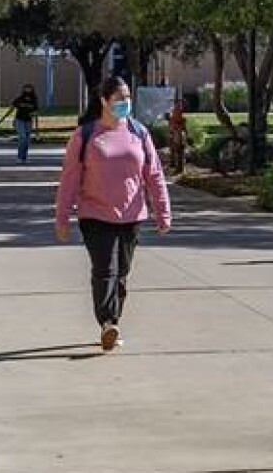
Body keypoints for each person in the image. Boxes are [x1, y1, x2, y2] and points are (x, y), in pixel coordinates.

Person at [55, 77, 172, 352]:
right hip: (95, 214)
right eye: (119, 98)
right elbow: (69, 179)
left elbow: (154, 175)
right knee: (105, 270)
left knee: (122, 273)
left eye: (128, 97)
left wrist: (162, 212)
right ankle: (107, 322)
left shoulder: (139, 133)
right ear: (104, 101)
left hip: (131, 214)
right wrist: (62, 218)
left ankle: (113, 321)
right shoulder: (85, 136)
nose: (125, 103)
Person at [7, 84, 40, 164]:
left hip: (28, 121)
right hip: (19, 120)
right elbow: (12, 108)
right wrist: (5, 118)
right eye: (26, 89)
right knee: (23, 137)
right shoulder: (19, 99)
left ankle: (24, 157)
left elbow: (36, 112)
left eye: (29, 89)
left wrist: (34, 115)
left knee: (27, 140)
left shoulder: (34, 100)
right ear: (23, 90)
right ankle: (19, 157)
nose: (27, 91)